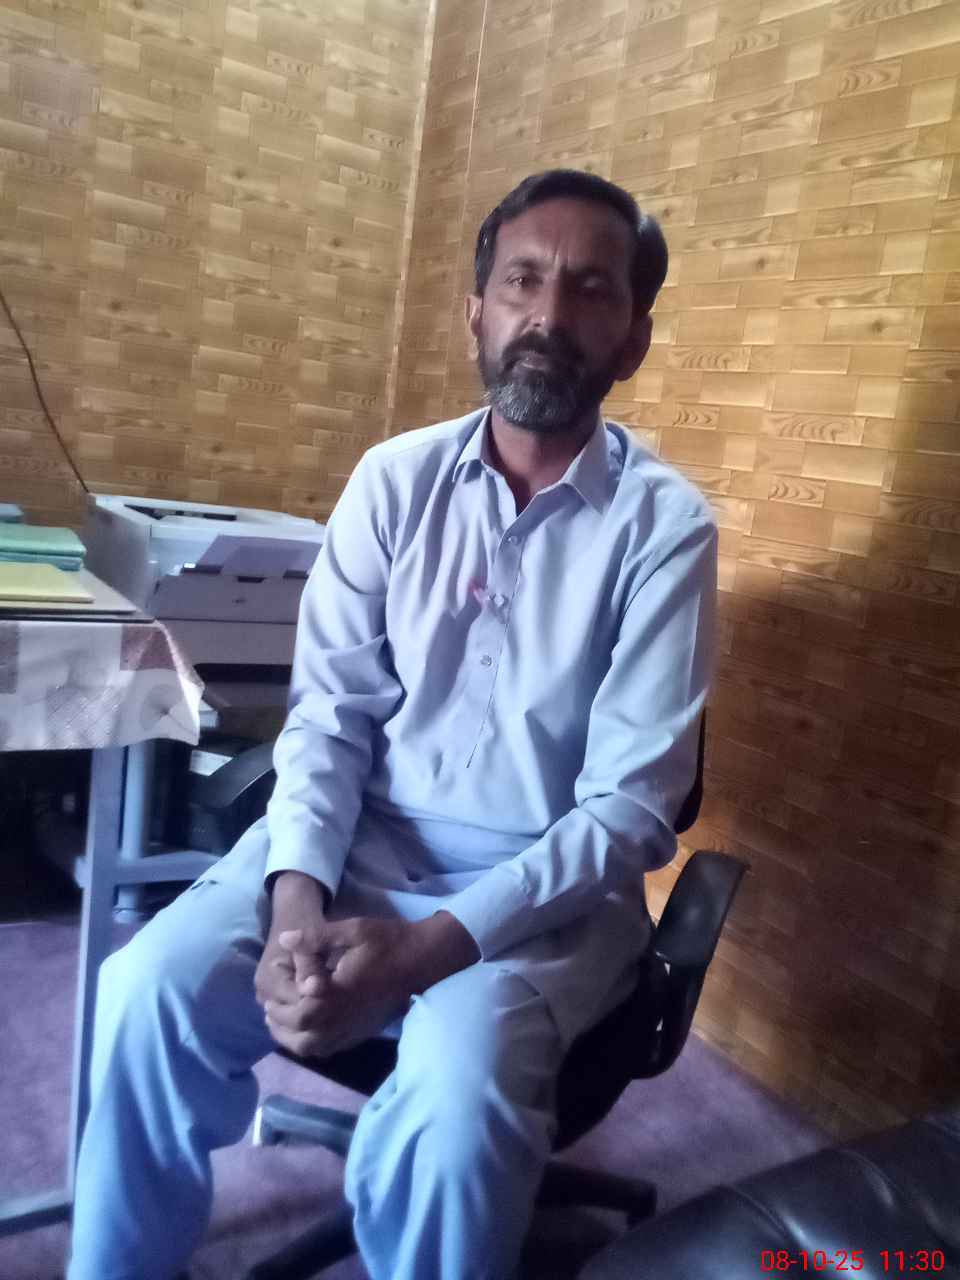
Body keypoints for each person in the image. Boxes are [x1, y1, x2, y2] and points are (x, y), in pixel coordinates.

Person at [68, 168, 717, 1280]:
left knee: (458, 1110)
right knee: (144, 994)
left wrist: (419, 954)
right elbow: (329, 720)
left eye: (590, 290)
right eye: (521, 281)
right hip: (357, 843)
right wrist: (295, 907)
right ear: (477, 314)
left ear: (634, 339)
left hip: (540, 894)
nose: (548, 316)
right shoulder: (391, 482)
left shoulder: (666, 529)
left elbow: (628, 812)